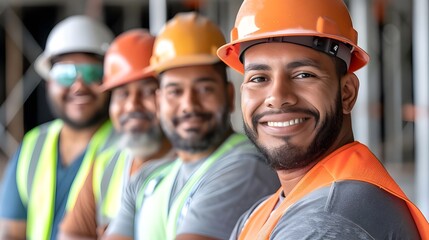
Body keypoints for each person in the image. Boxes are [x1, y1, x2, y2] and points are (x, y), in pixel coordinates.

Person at [217, 0, 429, 239]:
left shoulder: (330, 220)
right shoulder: (263, 213)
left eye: (303, 74)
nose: (277, 98)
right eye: (258, 78)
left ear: (347, 93)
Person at [103, 12, 280, 240]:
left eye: (204, 89)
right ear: (159, 102)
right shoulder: (147, 178)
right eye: (175, 91)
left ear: (229, 95)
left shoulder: (247, 168)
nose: (189, 105)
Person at [0, 15, 116, 240]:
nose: (79, 85)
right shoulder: (33, 146)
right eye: (65, 74)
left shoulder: (129, 147)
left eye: (93, 73)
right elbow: (10, 233)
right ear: (48, 82)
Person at [57, 29, 174, 239]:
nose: (131, 106)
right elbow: (72, 234)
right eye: (122, 94)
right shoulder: (107, 164)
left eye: (147, 91)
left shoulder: (192, 165)